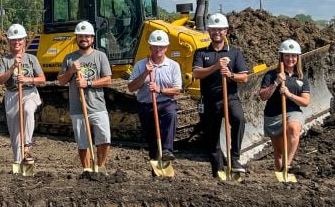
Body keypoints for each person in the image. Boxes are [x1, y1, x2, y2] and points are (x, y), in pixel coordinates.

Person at [192, 13, 250, 177]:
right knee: (211, 137)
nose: (217, 32)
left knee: (239, 119)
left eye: (220, 29)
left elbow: (244, 77)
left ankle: (235, 158)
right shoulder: (201, 53)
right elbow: (196, 74)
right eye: (213, 29)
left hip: (229, 97)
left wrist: (230, 75)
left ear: (226, 31)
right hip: (209, 100)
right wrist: (216, 66)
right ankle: (217, 169)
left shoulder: (235, 53)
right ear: (209, 32)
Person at [57, 21, 112, 170]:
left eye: (87, 36)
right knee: (83, 143)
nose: (84, 39)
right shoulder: (69, 58)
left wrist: (87, 83)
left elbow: (108, 80)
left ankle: (100, 167)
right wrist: (71, 71)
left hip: (97, 106)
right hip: (78, 107)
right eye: (80, 36)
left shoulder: (100, 56)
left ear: (92, 39)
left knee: (104, 139)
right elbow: (61, 81)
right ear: (76, 38)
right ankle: (87, 170)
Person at [127, 30, 182, 162]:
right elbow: (131, 87)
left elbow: (177, 90)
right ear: (150, 47)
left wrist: (160, 90)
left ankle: (168, 149)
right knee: (152, 140)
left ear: (166, 48)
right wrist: (145, 73)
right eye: (155, 46)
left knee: (171, 113)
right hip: (146, 105)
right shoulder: (140, 65)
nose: (158, 49)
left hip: (165, 103)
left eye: (161, 46)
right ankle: (155, 161)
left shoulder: (173, 66)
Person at [259, 39, 310, 172]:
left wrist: (289, 95)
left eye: (293, 56)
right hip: (273, 114)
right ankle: (282, 177)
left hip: (293, 112)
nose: (290, 59)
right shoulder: (271, 75)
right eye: (287, 55)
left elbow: (305, 102)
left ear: (297, 58)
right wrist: (276, 82)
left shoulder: (301, 77)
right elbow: (263, 96)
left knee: (294, 128)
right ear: (281, 56)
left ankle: (287, 164)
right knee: (279, 152)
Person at [0, 24, 45, 164]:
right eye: (14, 40)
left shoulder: (31, 58)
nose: (17, 42)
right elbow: (0, 80)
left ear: (24, 40)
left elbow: (42, 79)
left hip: (29, 92)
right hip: (12, 94)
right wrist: (12, 67)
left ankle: (28, 145)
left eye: (20, 39)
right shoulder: (5, 60)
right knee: (15, 133)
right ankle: (19, 163)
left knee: (28, 109)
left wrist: (28, 79)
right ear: (9, 41)